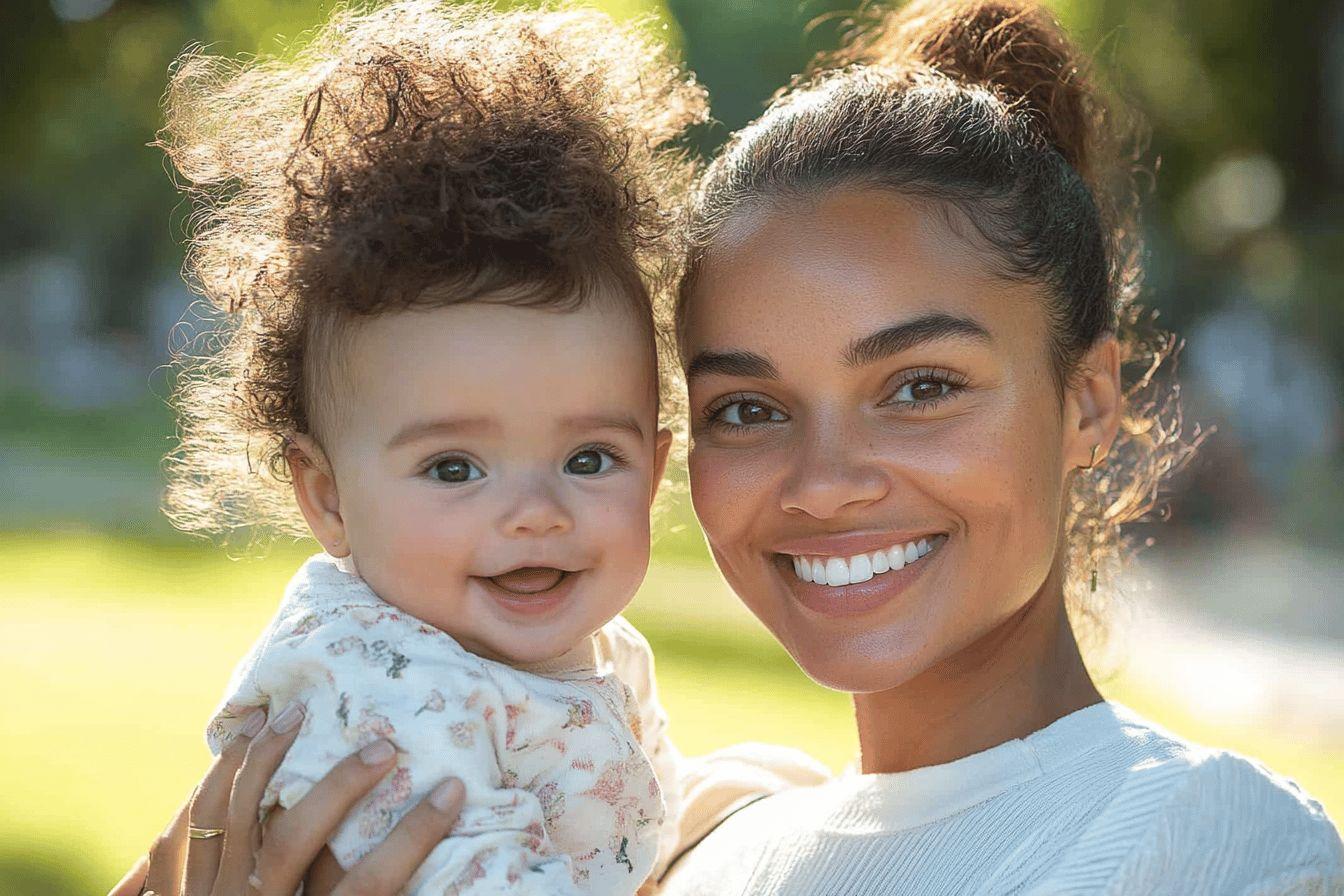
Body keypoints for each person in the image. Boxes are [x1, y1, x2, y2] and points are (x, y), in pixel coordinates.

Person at [117, 2, 1344, 895]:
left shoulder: (1205, 841)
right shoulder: (693, 830)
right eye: (748, 409)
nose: (823, 481)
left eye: (919, 385)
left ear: (1086, 402)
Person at [140, 2, 705, 893]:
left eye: (590, 459)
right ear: (326, 499)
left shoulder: (597, 648)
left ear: (657, 466)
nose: (535, 515)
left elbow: (657, 826)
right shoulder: (376, 689)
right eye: (454, 468)